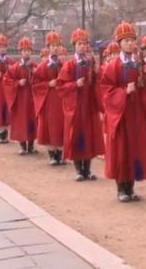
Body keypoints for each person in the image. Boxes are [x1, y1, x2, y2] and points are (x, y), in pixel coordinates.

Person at [100, 22, 146, 202]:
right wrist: (123, 92)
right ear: (120, 43)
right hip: (120, 115)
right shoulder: (113, 66)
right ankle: (121, 188)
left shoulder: (139, 64)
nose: (130, 44)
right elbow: (106, 90)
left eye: (132, 40)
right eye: (126, 41)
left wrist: (145, 81)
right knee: (121, 150)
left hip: (135, 113)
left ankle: (130, 187)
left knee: (135, 149)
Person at [58, 29, 105, 182]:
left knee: (90, 136)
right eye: (79, 44)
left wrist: (97, 73)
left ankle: (88, 169)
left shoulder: (91, 63)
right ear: (74, 46)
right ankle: (79, 170)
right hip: (76, 106)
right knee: (77, 136)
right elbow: (60, 86)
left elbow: (97, 84)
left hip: (89, 105)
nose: (83, 46)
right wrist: (74, 85)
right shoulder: (69, 65)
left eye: (85, 44)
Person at [33, 31, 66, 165]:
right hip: (48, 100)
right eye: (52, 45)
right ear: (48, 48)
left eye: (57, 45)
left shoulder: (64, 65)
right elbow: (35, 84)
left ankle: (60, 153)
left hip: (61, 99)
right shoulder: (42, 66)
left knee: (61, 125)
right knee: (50, 126)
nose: (55, 48)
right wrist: (48, 84)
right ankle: (52, 154)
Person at [3, 38, 38, 155]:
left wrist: (35, 74)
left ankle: (31, 145)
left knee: (32, 121)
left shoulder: (35, 66)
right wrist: (17, 83)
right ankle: (23, 146)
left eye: (28, 50)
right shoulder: (15, 67)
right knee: (21, 122)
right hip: (20, 99)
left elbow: (41, 79)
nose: (26, 52)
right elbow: (6, 81)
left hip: (32, 99)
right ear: (21, 52)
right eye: (24, 50)